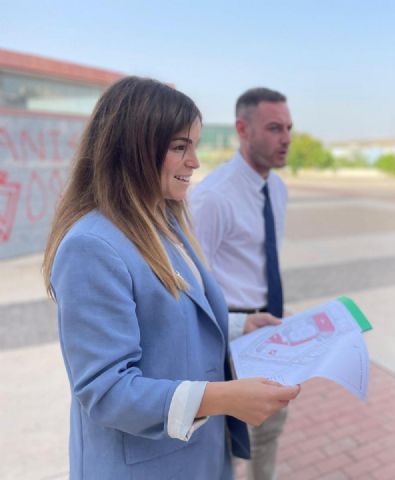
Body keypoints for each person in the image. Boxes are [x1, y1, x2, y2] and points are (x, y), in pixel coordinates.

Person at [42, 77, 299, 480]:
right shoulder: (91, 247)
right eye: (180, 147)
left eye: (193, 146)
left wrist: (240, 324)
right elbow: (107, 392)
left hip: (197, 456)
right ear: (131, 150)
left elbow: (169, 322)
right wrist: (221, 398)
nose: (194, 161)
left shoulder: (165, 223)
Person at [189, 87, 292, 480]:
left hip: (270, 332)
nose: (286, 138)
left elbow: (262, 264)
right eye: (273, 128)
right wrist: (236, 325)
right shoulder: (213, 197)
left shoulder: (277, 189)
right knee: (226, 444)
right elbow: (191, 287)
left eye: (288, 128)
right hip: (228, 338)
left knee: (270, 432)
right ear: (242, 129)